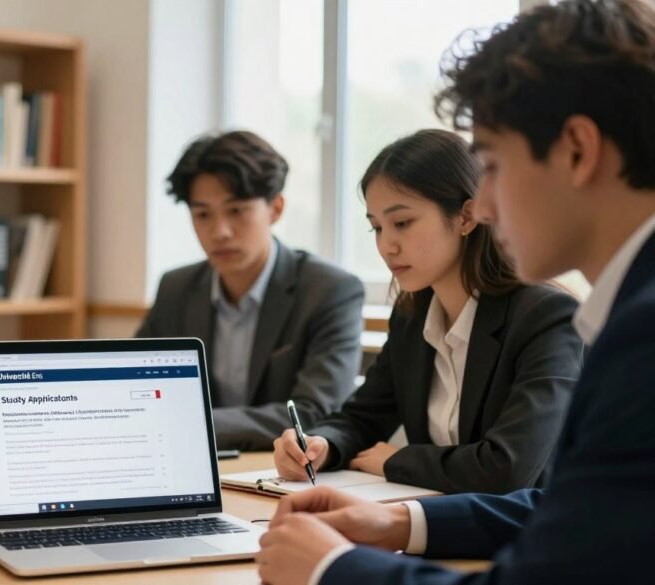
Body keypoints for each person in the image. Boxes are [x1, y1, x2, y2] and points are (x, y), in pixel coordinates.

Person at [256, 1, 655, 583]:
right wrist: (402, 523)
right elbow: (576, 509)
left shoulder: (638, 333)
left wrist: (333, 569)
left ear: (576, 148)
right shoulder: (629, 313)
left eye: (492, 165)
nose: (486, 207)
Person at [271, 129, 582, 495]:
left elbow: (508, 469)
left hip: (530, 537)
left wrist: (395, 461)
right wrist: (321, 444)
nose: (386, 245)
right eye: (376, 227)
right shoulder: (411, 317)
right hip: (435, 522)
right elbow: (363, 417)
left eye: (402, 223)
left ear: (467, 217)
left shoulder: (548, 317)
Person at [137, 130, 365, 450]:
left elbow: (314, 412)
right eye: (202, 214)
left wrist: (193, 422)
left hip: (282, 472)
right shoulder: (176, 288)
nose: (220, 232)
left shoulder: (330, 290)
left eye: (237, 210)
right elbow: (133, 385)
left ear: (276, 208)